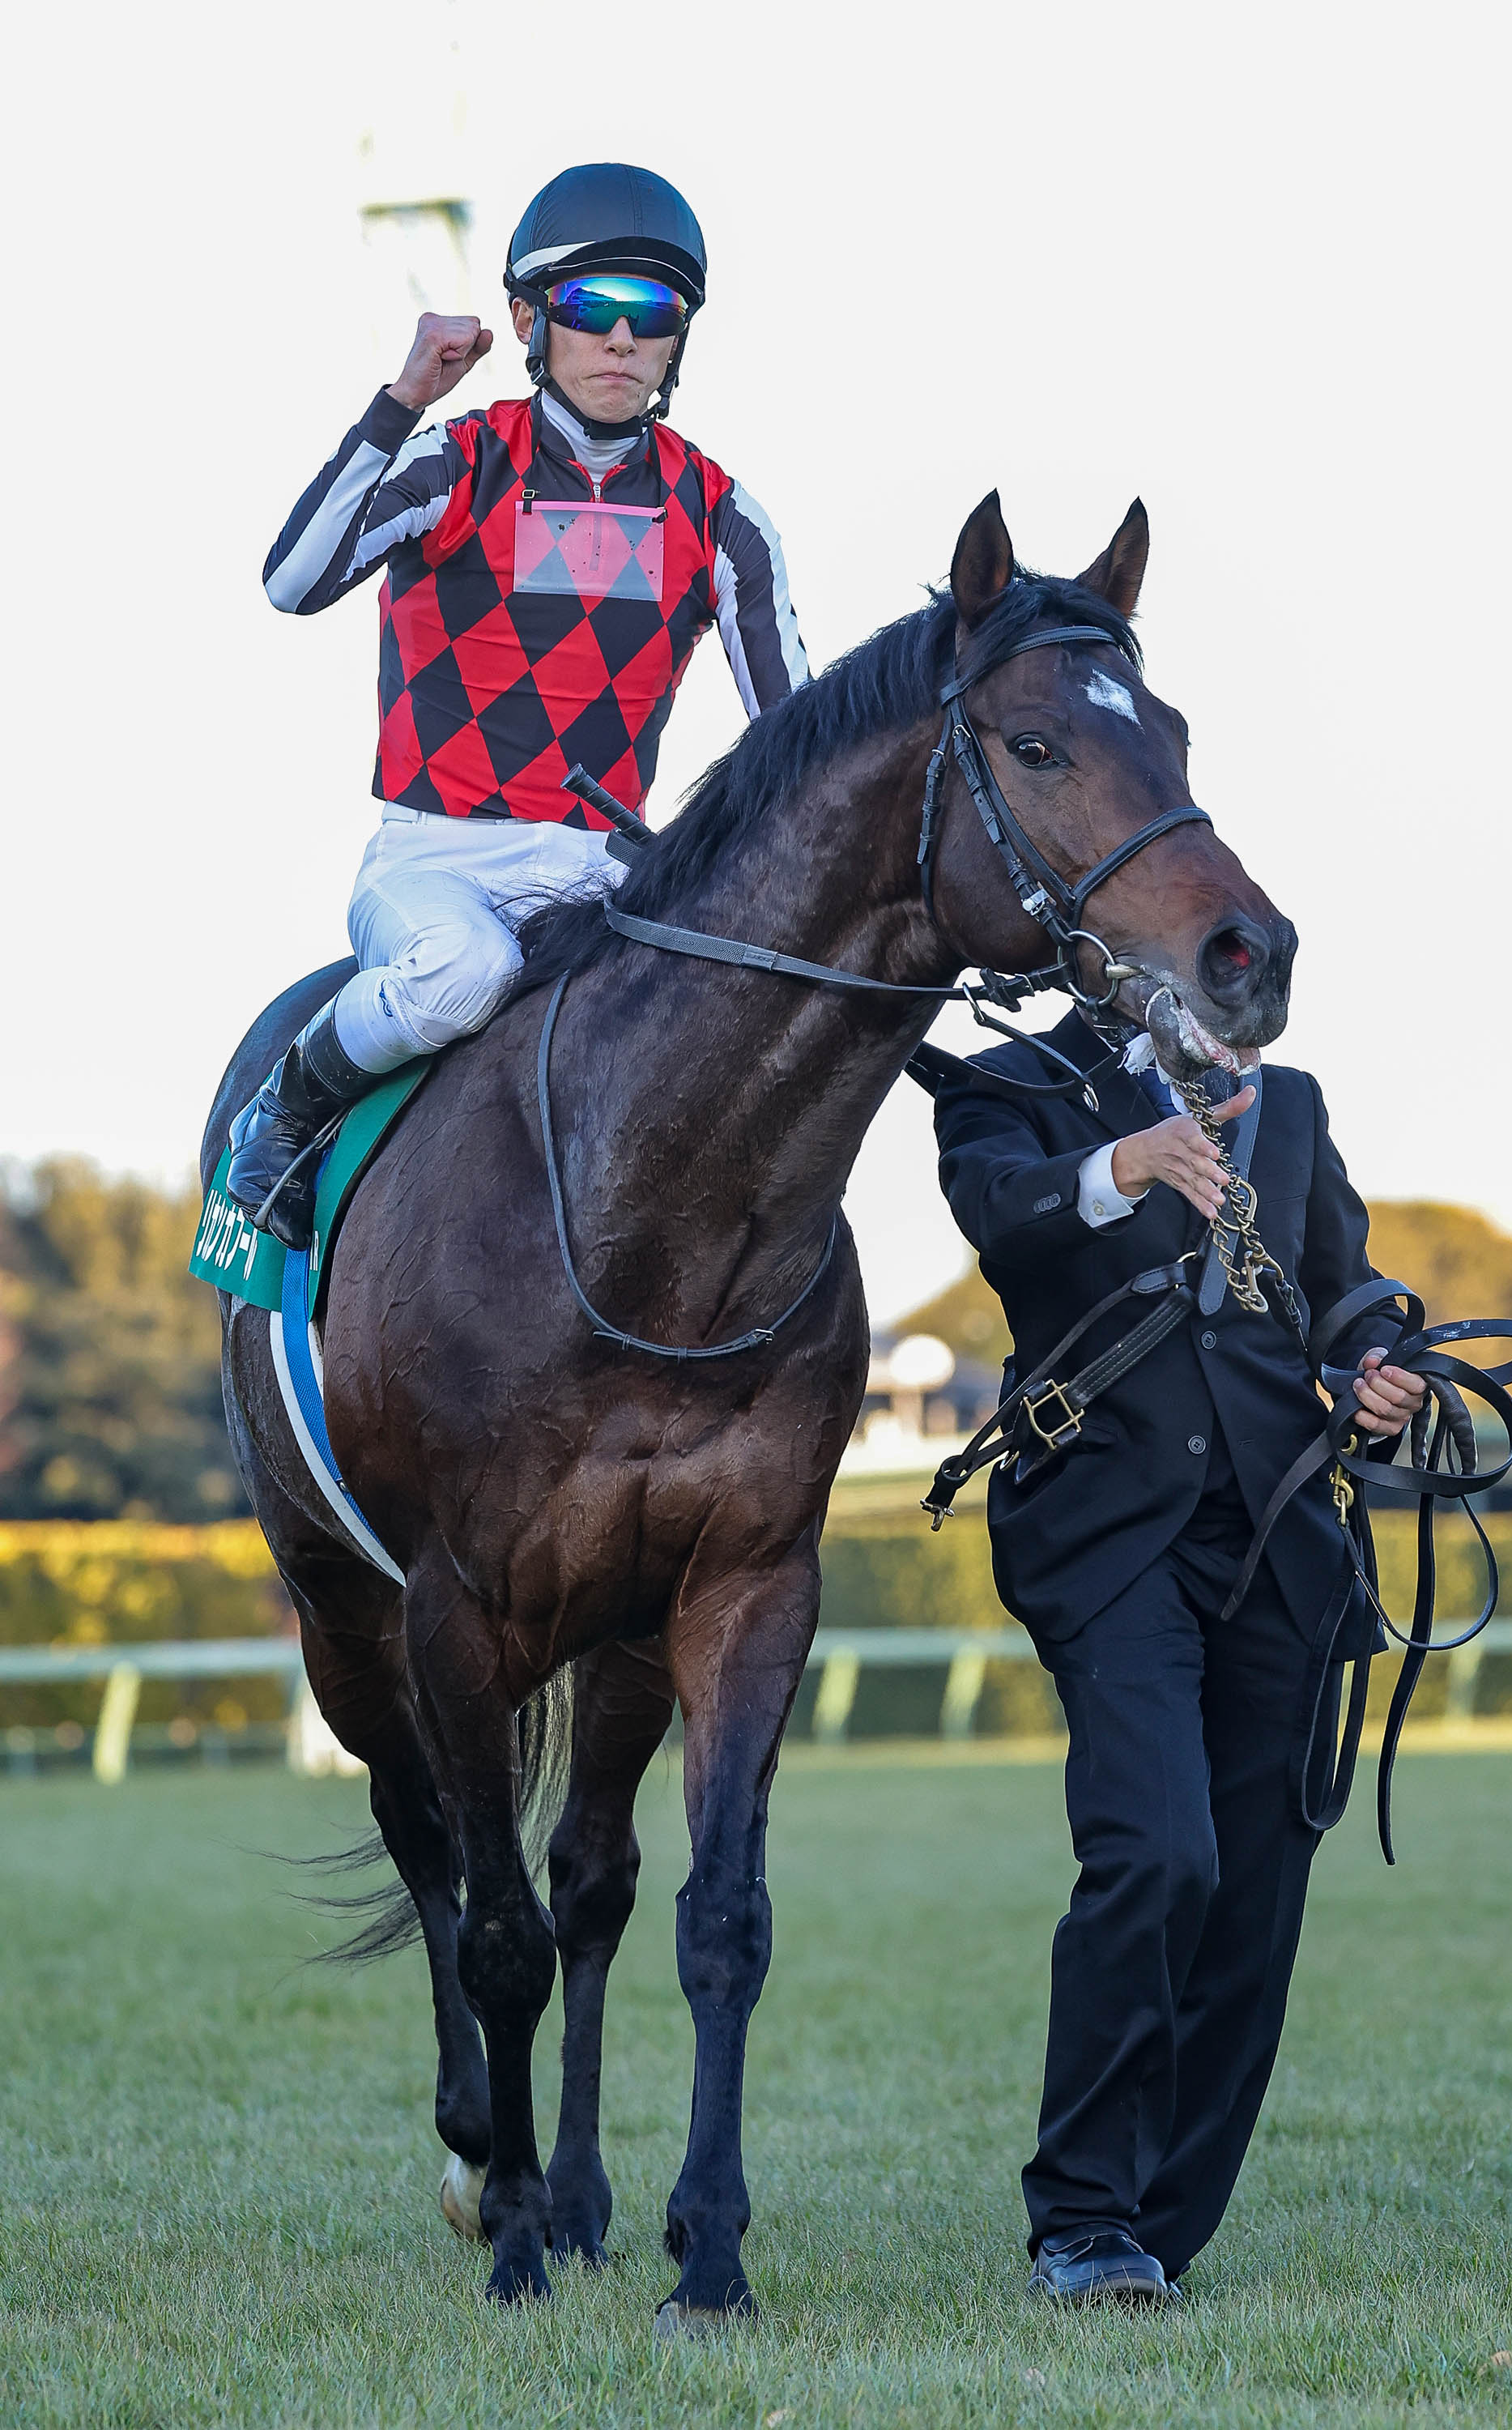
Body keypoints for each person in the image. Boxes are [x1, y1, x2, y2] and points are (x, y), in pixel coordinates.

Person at [932, 1015, 1425, 2307]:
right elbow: (1000, 1214)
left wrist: (1378, 1365)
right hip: (1105, 1533)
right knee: (1159, 1851)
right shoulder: (1012, 1083)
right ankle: (1083, 2219)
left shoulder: (1293, 1103)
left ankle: (1162, 2227)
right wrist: (1127, 1166)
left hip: (1280, 1532)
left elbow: (1341, 1285)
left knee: (1255, 1897)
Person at [228, 161, 809, 1246]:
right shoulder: (461, 458)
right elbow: (293, 582)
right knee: (466, 975)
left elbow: (800, 745)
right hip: (436, 864)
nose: (624, 340)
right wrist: (402, 401)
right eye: (593, 308)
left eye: (655, 312)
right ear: (530, 321)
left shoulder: (722, 513)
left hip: (604, 870)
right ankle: (290, 1106)